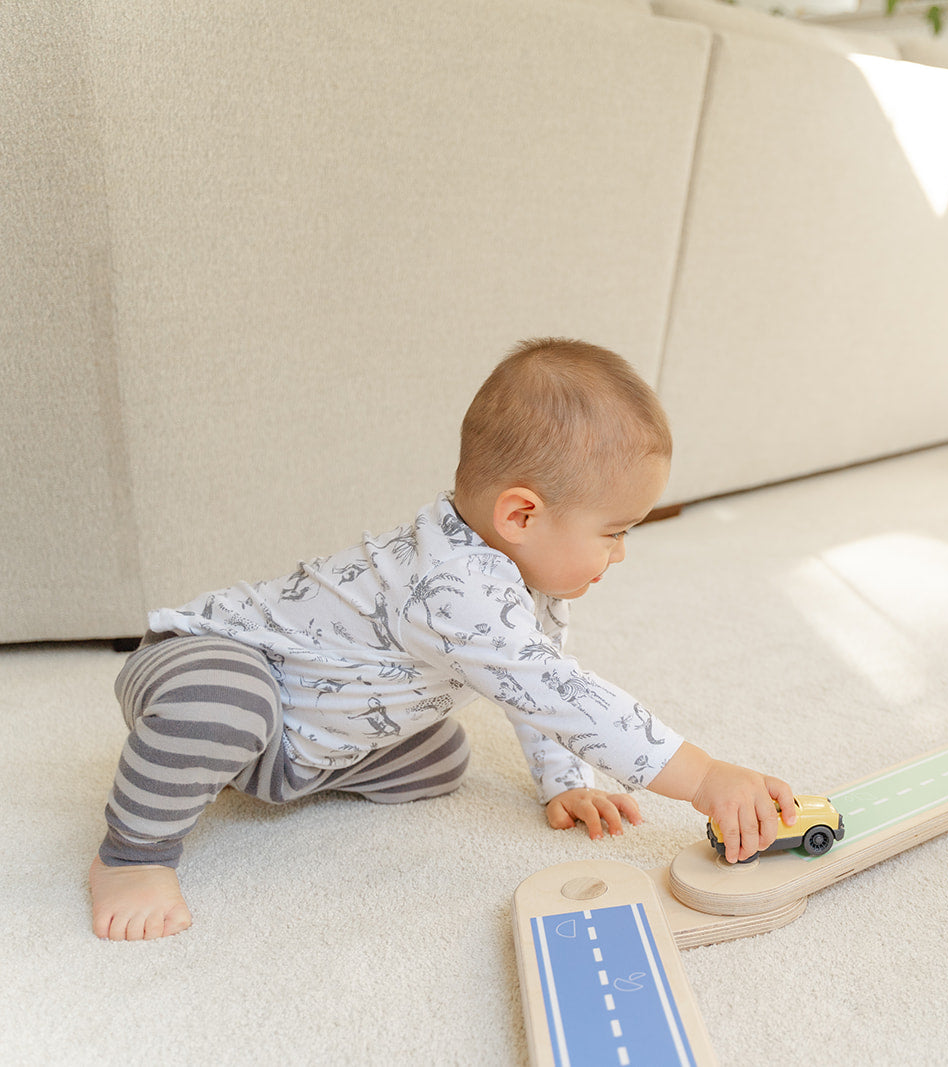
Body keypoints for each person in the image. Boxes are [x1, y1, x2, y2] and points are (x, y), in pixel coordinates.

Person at [88, 338, 797, 941]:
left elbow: (538, 683)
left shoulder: (525, 580)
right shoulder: (453, 583)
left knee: (441, 757)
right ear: (521, 513)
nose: (619, 553)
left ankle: (280, 771)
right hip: (206, 661)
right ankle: (132, 854)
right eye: (614, 532)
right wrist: (702, 776)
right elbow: (563, 693)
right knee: (225, 703)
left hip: (299, 737)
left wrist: (564, 781)